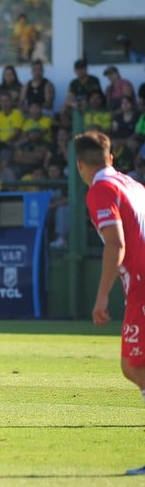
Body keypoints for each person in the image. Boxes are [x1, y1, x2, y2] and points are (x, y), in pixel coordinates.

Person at [75, 130, 145, 416]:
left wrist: (101, 296)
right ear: (110, 158)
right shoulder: (134, 185)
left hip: (141, 282)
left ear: (80, 165)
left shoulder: (101, 190)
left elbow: (115, 243)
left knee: (133, 365)